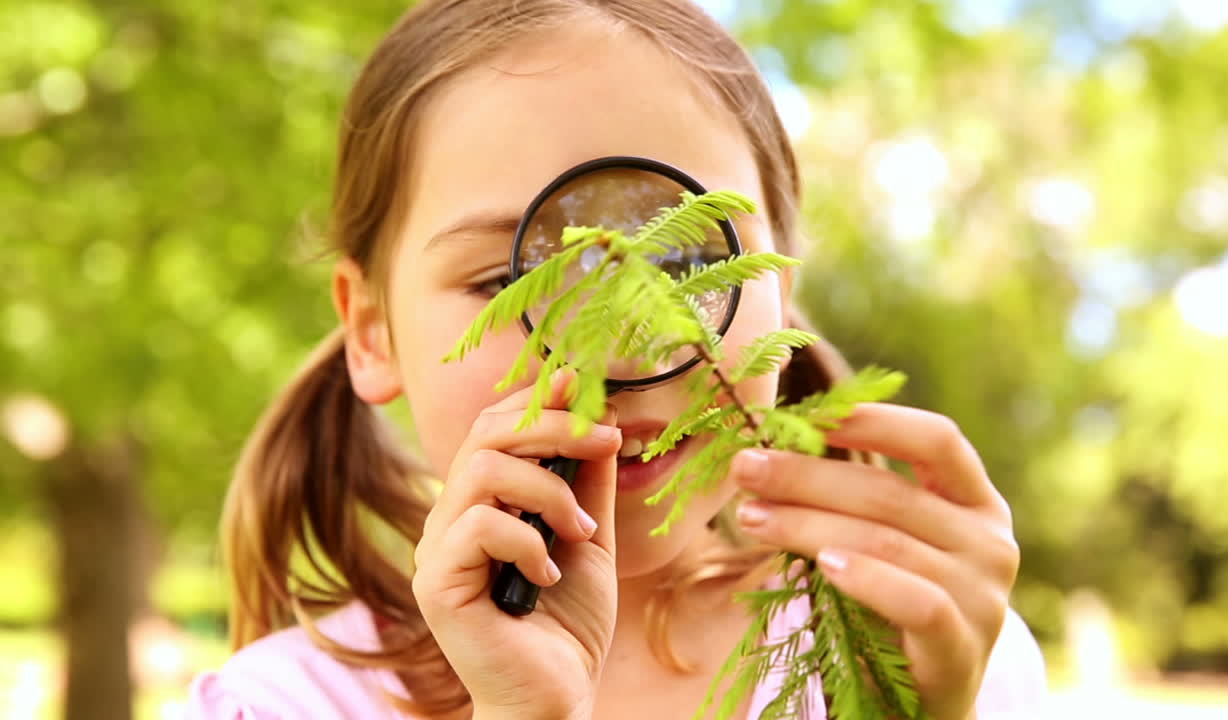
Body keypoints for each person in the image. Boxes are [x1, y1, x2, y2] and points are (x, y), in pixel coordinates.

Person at [186, 1, 1049, 718]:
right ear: (373, 333)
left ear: (778, 291)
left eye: (686, 262)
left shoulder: (938, 644)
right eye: (508, 280)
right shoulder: (281, 705)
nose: (621, 343)